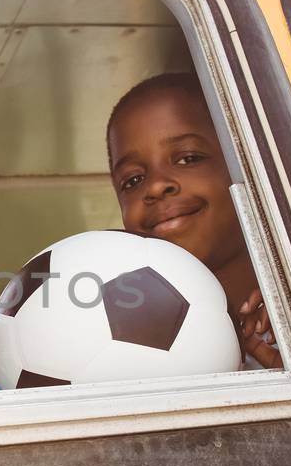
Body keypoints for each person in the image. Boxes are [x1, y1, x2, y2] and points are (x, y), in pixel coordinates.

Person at [104, 72, 280, 368]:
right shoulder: (120, 346)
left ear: (245, 165)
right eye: (133, 180)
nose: (157, 186)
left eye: (188, 159)